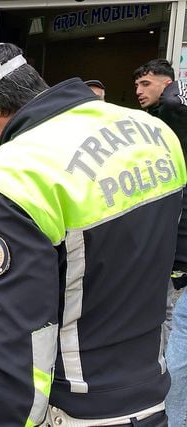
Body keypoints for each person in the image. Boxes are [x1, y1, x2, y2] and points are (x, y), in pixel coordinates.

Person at [0, 42, 186, 426]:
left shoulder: (15, 173)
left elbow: (21, 347)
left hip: (77, 407)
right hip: (149, 389)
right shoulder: (153, 131)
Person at [134, 58, 187, 427]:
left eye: (147, 84)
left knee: (173, 339)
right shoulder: (158, 121)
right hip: (167, 253)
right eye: (137, 85)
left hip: (176, 256)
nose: (139, 91)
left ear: (167, 84)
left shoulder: (173, 113)